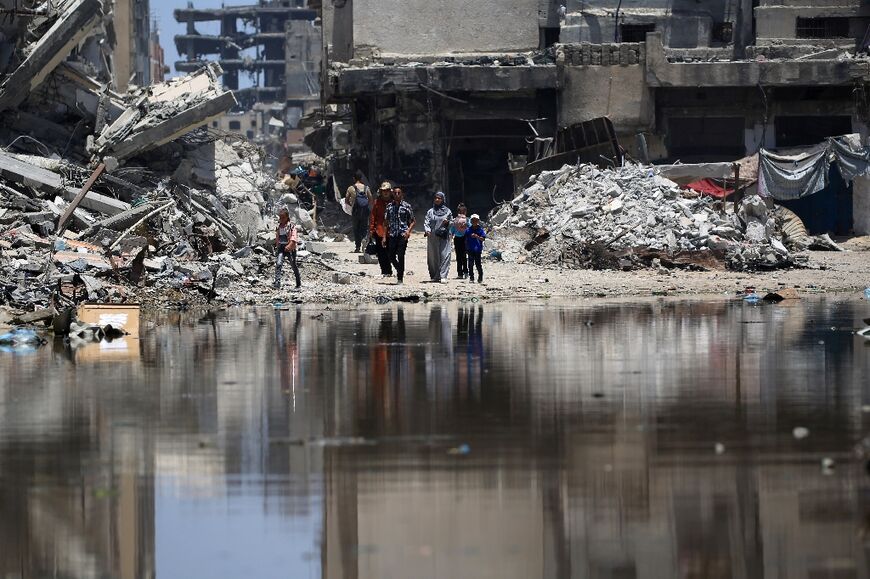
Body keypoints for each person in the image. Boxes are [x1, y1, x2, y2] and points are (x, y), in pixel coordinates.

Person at [384, 187, 415, 285]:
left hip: (402, 234)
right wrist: (384, 237)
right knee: (391, 255)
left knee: (401, 255)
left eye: (399, 193)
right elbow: (386, 222)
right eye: (395, 193)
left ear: (402, 194)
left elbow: (413, 221)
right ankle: (399, 269)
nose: (397, 194)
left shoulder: (406, 206)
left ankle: (400, 278)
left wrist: (408, 231)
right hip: (393, 234)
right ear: (393, 194)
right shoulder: (389, 206)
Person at [423, 191, 453, 283]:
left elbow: (452, 222)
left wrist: (447, 223)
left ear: (443, 199)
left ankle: (443, 275)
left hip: (444, 236)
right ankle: (435, 275)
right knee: (433, 256)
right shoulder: (430, 212)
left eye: (439, 198)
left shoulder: (448, 211)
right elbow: (426, 222)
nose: (437, 200)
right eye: (435, 198)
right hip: (432, 237)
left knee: (445, 255)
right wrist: (427, 230)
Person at [369, 181, 393, 277]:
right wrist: (371, 229)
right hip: (379, 231)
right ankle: (385, 271)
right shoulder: (377, 202)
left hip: (391, 232)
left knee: (390, 252)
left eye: (387, 190)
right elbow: (373, 216)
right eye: (384, 191)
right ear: (381, 192)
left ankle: (389, 269)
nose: (385, 192)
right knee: (381, 253)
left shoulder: (394, 202)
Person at [345, 170, 373, 252]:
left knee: (356, 229)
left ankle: (357, 247)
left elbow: (346, 200)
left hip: (355, 211)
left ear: (354, 178)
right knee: (364, 227)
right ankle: (364, 240)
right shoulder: (366, 188)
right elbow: (371, 200)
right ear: (361, 178)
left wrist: (351, 206)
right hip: (365, 211)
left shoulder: (351, 188)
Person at [274, 206, 301, 289]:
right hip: (281, 248)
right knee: (278, 264)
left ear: (287, 217)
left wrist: (289, 246)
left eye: (283, 217)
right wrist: (277, 245)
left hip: (290, 249)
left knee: (293, 265)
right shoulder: (279, 227)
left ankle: (298, 282)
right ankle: (277, 283)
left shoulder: (291, 226)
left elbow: (294, 238)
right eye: (280, 217)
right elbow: (277, 237)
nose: (281, 219)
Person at [466, 213, 487, 284]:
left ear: (478, 221)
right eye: (473, 220)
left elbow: (483, 239)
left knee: (478, 264)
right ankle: (471, 277)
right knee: (470, 264)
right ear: (471, 221)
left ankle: (480, 277)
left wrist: (477, 236)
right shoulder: (468, 230)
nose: (474, 222)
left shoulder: (480, 230)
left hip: (478, 250)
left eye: (476, 220)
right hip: (470, 249)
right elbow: (465, 239)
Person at [450, 203, 468, 279]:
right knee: (463, 256)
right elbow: (470, 229)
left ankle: (461, 273)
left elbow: (452, 231)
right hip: (463, 239)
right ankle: (464, 272)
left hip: (458, 239)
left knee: (459, 256)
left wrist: (450, 238)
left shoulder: (455, 220)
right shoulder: (467, 220)